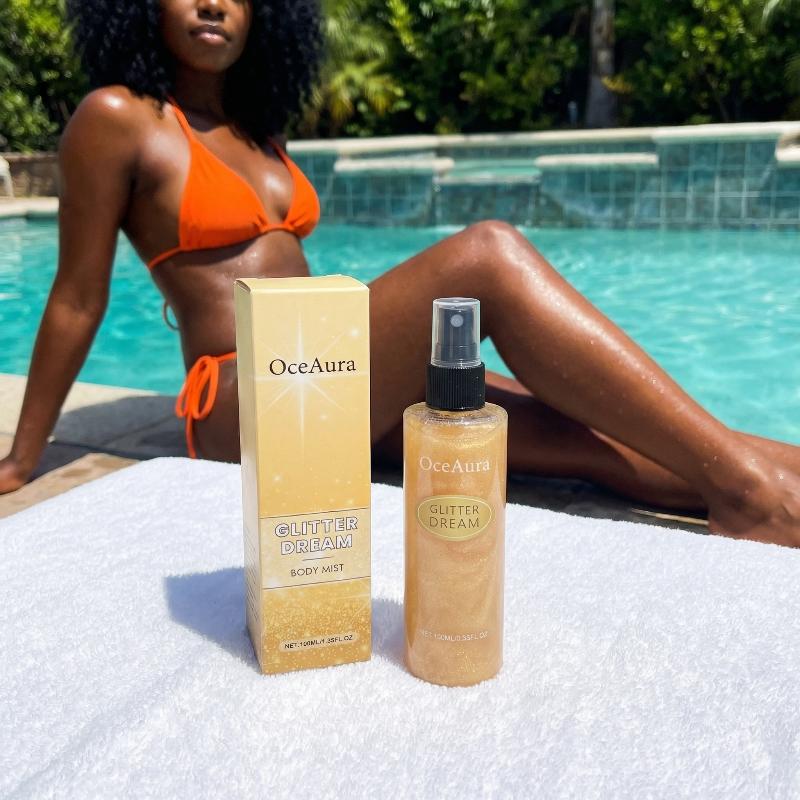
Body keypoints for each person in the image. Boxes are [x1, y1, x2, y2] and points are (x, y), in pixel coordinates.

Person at [1, 0, 799, 547]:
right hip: (242, 399)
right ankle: (750, 497)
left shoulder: (256, 131)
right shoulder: (118, 118)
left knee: (583, 440)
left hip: (328, 380)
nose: (215, 5)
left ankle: (771, 483)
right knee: (486, 255)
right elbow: (76, 297)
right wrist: (22, 457)